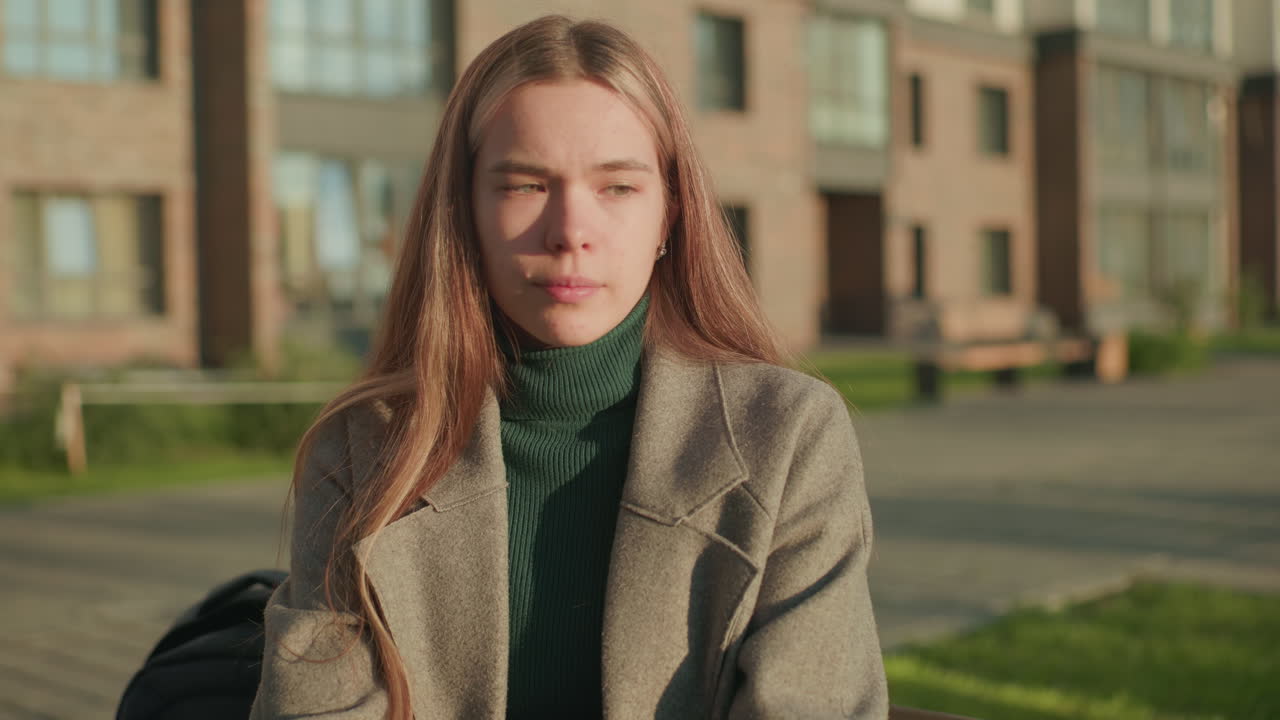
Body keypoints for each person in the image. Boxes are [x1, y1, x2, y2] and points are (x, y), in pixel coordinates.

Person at [250, 14, 887, 720]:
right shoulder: (365, 447)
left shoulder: (788, 437)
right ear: (463, 212)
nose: (570, 232)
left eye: (617, 188)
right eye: (525, 185)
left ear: (670, 218)